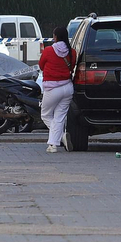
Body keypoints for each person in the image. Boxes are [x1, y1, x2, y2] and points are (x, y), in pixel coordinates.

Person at [38, 25, 76, 153]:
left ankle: (59, 138)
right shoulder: (72, 52)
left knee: (45, 114)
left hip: (53, 88)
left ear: (55, 37)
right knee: (59, 117)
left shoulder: (48, 51)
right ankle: (53, 144)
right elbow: (72, 67)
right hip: (68, 87)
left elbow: (41, 65)